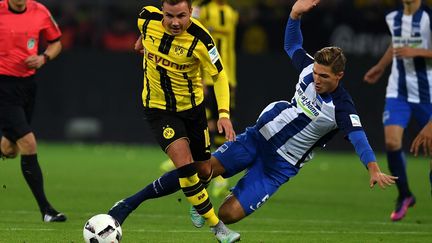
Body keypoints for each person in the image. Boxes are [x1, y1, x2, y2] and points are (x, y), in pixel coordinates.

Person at [108, 0, 397, 231]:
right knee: (199, 170)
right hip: (257, 137)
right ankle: (137, 202)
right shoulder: (309, 70)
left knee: (228, 213)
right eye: (317, 73)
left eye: (324, 76)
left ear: (340, 76)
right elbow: (292, 46)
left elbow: (358, 136)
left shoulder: (342, 107)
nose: (317, 79)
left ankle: (226, 196)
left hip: (279, 165)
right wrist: (294, 15)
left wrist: (372, 167)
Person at [110, 0, 239, 242]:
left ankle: (191, 199)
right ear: (162, 12)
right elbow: (144, 31)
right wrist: (142, 41)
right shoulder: (147, 18)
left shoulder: (202, 38)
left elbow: (219, 75)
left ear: (191, 12)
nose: (175, 22)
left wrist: (223, 114)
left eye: (181, 15)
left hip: (193, 110)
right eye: (169, 16)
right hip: (159, 110)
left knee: (204, 170)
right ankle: (217, 227)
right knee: (185, 166)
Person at [159, 0, 239, 198]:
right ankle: (188, 157)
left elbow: (226, 46)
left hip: (225, 74)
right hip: (203, 76)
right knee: (202, 119)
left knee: (220, 125)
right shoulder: (202, 10)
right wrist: (200, 77)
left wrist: (232, 78)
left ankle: (218, 175)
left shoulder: (232, 13)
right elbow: (190, 38)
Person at [363, 0, 432, 221]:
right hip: (398, 90)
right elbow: (396, 43)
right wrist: (381, 67)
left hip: (427, 91)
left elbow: (410, 47)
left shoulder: (429, 17)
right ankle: (404, 195)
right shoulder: (393, 16)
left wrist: (418, 51)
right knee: (392, 142)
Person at [0, 0, 66, 222]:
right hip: (2, 85)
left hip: (27, 86)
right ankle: (46, 210)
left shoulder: (40, 11)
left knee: (9, 148)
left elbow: (56, 42)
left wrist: (43, 57)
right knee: (28, 142)